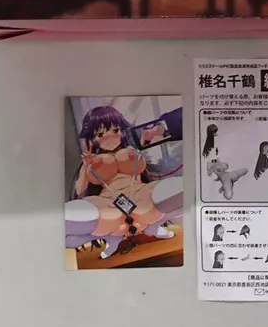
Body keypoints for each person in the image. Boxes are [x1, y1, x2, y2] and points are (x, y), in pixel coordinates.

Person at [65, 106, 183, 260]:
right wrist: (86, 166)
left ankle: (152, 227)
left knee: (179, 191)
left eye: (115, 131)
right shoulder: (91, 162)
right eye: (100, 134)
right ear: (92, 138)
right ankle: (113, 240)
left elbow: (140, 176)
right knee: (70, 221)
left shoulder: (131, 150)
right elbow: (80, 190)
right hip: (109, 203)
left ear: (122, 131)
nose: (109, 138)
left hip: (140, 194)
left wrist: (139, 150)